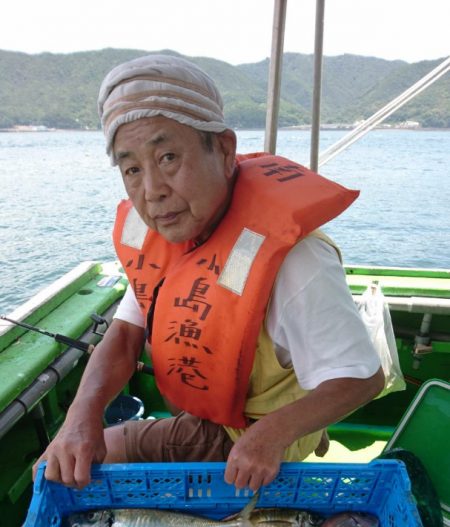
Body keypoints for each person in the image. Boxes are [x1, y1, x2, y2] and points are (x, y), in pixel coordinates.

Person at [33, 53, 384, 492]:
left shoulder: (296, 260)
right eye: (132, 169)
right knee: (72, 446)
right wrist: (79, 416)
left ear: (224, 149)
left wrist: (271, 435)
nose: (153, 192)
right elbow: (124, 335)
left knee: (68, 467)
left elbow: (361, 378)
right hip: (211, 406)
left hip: (245, 435)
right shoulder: (166, 234)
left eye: (168, 158)